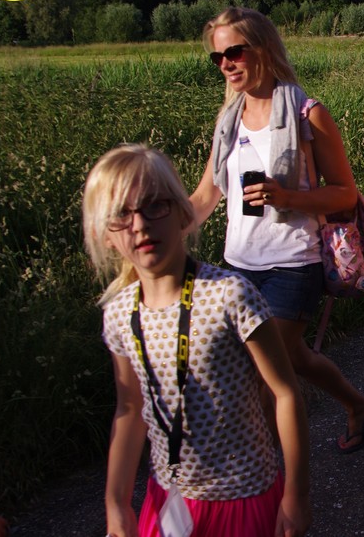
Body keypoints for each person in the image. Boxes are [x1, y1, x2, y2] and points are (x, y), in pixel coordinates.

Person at [82, 144, 311, 537]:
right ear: (104, 235)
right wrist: (116, 504)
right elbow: (129, 408)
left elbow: (285, 392)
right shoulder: (119, 315)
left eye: (154, 205)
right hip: (168, 500)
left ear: (183, 212)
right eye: (122, 214)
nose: (140, 224)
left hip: (244, 498)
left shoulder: (230, 296)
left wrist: (297, 494)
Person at [191, 7, 364, 456]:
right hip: (239, 267)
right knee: (293, 357)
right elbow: (205, 196)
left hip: (293, 264)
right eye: (218, 57)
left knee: (260, 373)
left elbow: (344, 193)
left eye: (235, 52)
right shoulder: (228, 120)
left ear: (263, 48)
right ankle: (360, 407)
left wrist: (287, 197)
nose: (226, 64)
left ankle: (252, 471)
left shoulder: (307, 114)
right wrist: (153, 234)